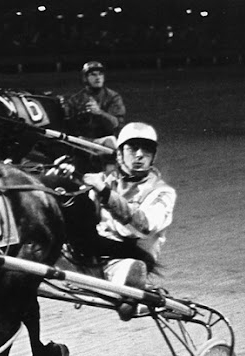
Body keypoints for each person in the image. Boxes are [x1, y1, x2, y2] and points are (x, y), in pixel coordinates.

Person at [44, 122, 176, 321]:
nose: (139, 155)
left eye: (146, 150)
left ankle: (129, 287)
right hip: (91, 253)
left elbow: (143, 227)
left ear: (153, 156)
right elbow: (83, 214)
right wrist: (68, 179)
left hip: (128, 257)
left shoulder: (162, 192)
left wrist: (104, 193)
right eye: (132, 148)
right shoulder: (106, 180)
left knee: (130, 267)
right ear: (120, 154)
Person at [64, 60, 126, 139]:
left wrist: (99, 113)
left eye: (100, 74)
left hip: (106, 140)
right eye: (93, 75)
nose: (98, 77)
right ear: (85, 78)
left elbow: (116, 125)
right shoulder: (75, 100)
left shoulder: (113, 97)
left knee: (111, 140)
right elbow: (69, 128)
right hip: (82, 141)